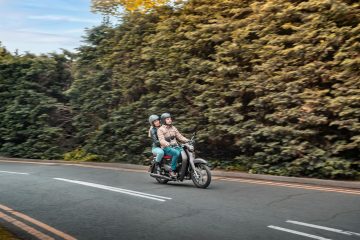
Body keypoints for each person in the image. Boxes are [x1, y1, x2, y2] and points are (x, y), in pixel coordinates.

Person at [157, 113, 189, 178]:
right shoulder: (160, 129)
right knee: (176, 153)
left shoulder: (173, 128)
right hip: (166, 148)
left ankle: (182, 169)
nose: (170, 120)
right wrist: (167, 143)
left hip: (175, 146)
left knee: (186, 152)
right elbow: (161, 140)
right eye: (167, 119)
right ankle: (172, 170)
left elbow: (180, 136)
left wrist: (188, 140)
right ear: (163, 120)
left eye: (170, 118)